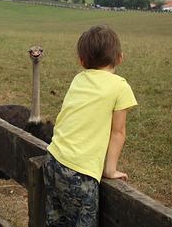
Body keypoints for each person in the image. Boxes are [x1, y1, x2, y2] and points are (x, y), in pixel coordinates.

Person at [43, 24, 137, 227]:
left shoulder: (78, 79)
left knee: (56, 221)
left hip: (53, 160)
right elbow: (118, 133)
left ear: (82, 61)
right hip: (79, 172)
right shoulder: (120, 86)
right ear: (120, 57)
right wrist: (109, 171)